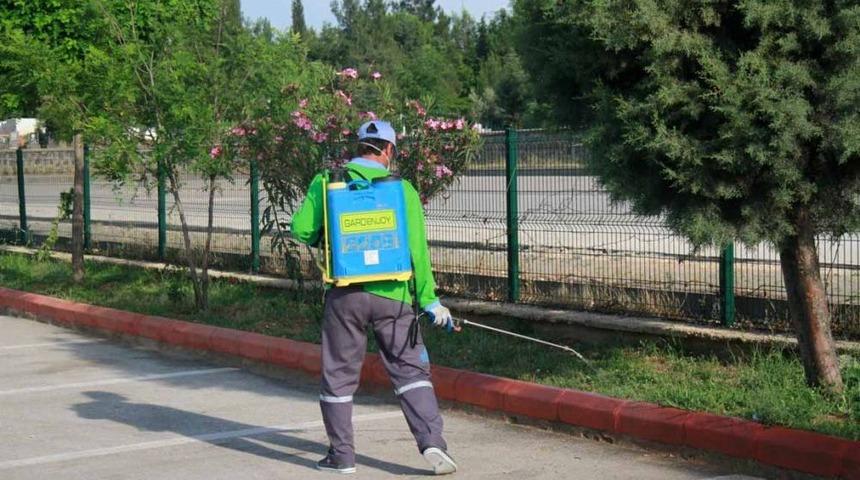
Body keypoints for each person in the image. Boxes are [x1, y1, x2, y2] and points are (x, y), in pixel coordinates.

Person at [291, 120, 458, 475]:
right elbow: (417, 251)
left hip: (345, 295)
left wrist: (329, 232)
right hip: (394, 296)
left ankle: (342, 457)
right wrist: (430, 301)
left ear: (359, 146)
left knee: (338, 375)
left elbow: (301, 229)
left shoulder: (327, 181)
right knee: (410, 371)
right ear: (388, 150)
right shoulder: (403, 189)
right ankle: (432, 443)